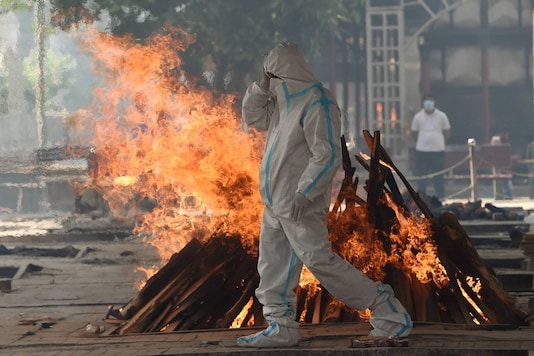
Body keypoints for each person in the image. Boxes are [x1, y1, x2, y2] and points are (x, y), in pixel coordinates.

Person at [237, 42, 412, 348]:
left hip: (299, 202)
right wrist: (261, 86)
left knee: (320, 262)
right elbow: (253, 118)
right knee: (272, 265)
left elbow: (326, 155)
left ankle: (387, 308)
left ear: (288, 71)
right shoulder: (282, 104)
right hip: (276, 202)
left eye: (274, 74)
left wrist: (304, 193)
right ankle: (281, 326)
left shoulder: (317, 102)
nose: (273, 81)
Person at [411, 93, 451, 198]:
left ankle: (440, 196)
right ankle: (421, 197)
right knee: (422, 175)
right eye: (426, 100)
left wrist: (439, 141)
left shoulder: (442, 116)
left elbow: (446, 132)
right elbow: (414, 133)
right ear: (423, 102)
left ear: (434, 101)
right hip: (422, 150)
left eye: (431, 100)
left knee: (438, 175)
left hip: (438, 150)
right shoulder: (418, 117)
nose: (428, 102)